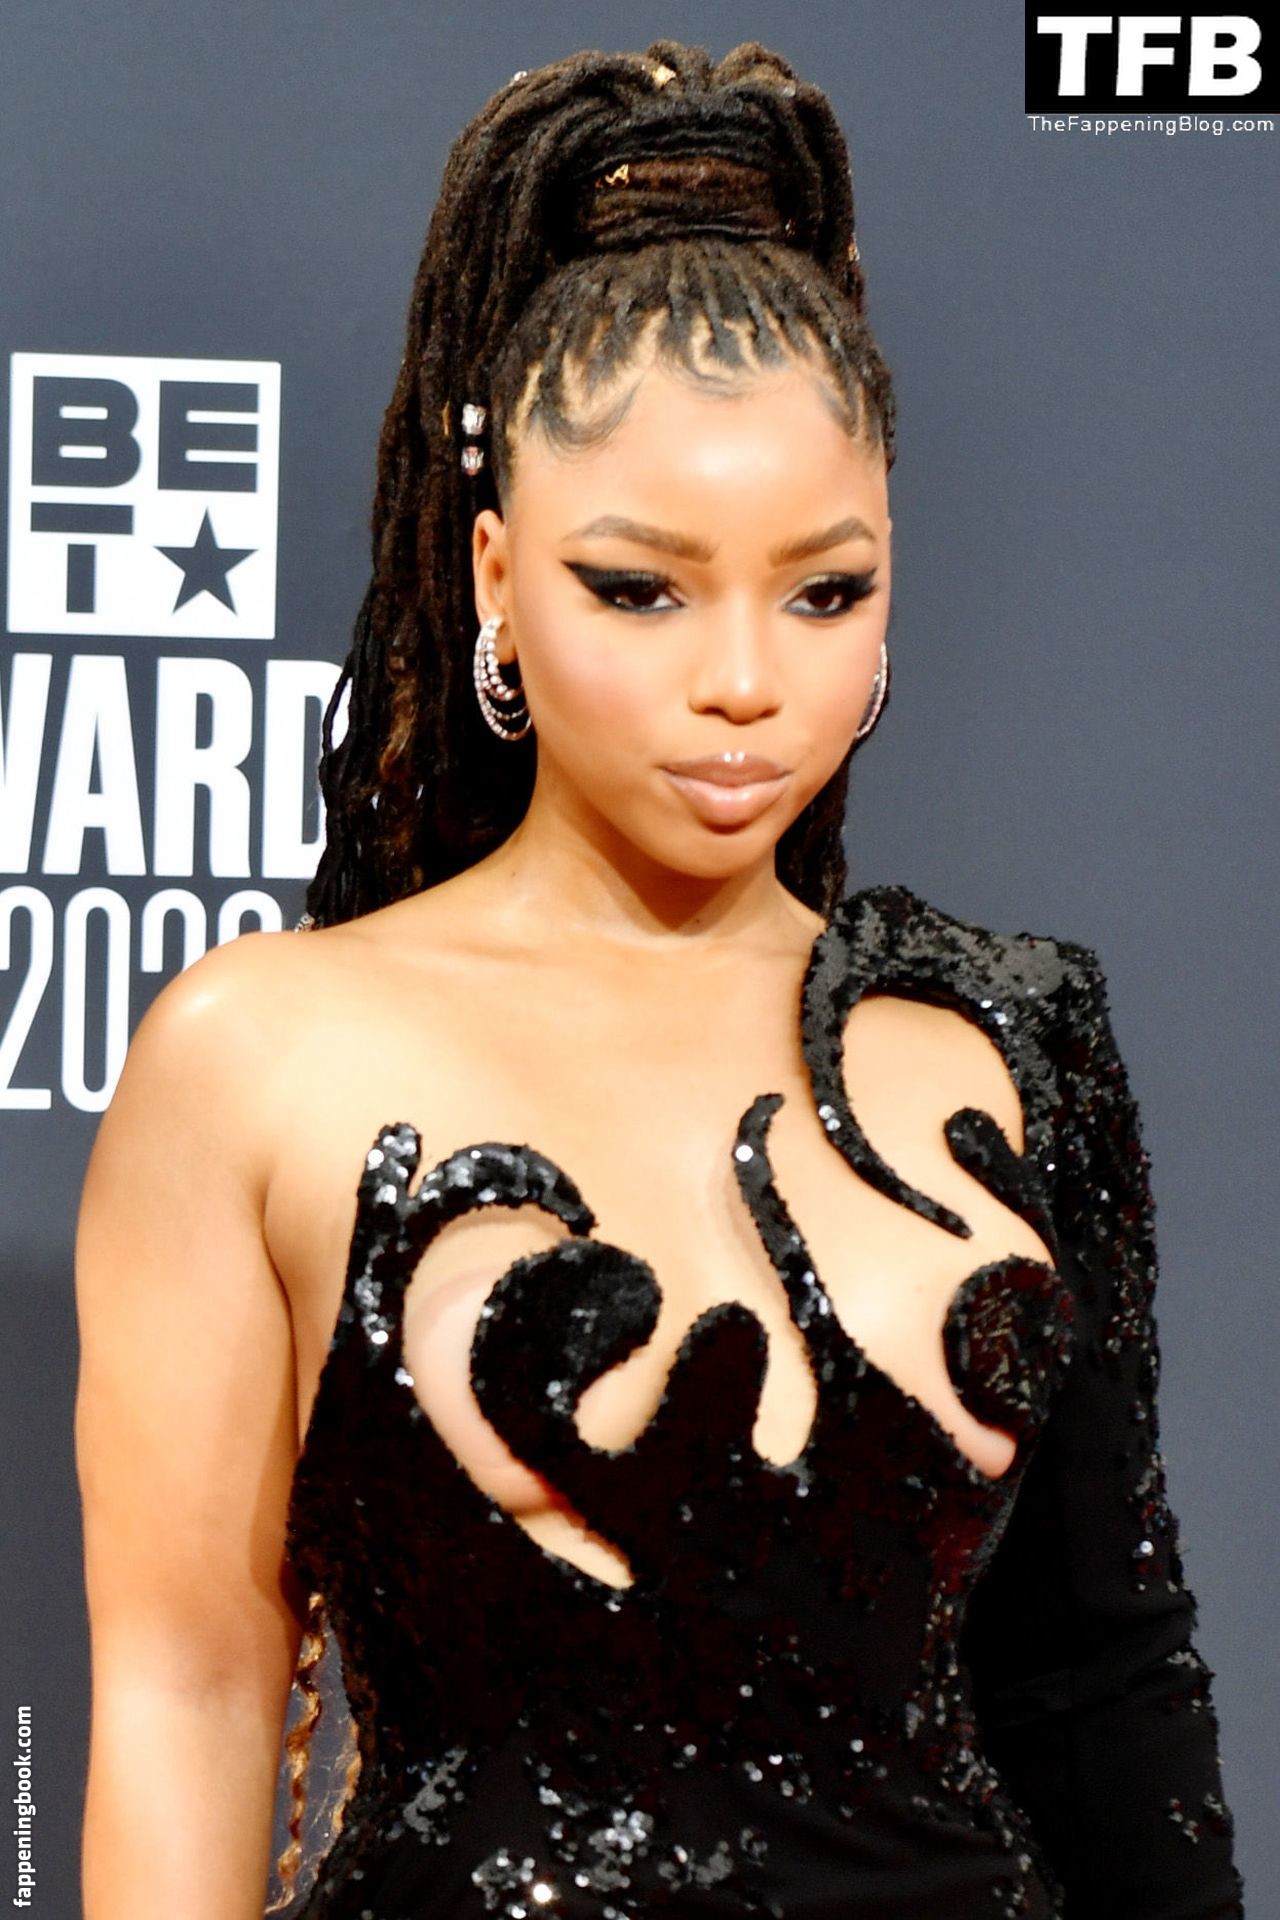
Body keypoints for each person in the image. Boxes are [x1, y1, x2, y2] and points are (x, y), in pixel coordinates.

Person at [73, 37, 1244, 1920]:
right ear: (494, 578)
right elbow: (190, 1689)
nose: (745, 681)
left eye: (826, 589)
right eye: (640, 587)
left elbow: (1105, 1688)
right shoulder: (258, 1057)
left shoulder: (1011, 1037)